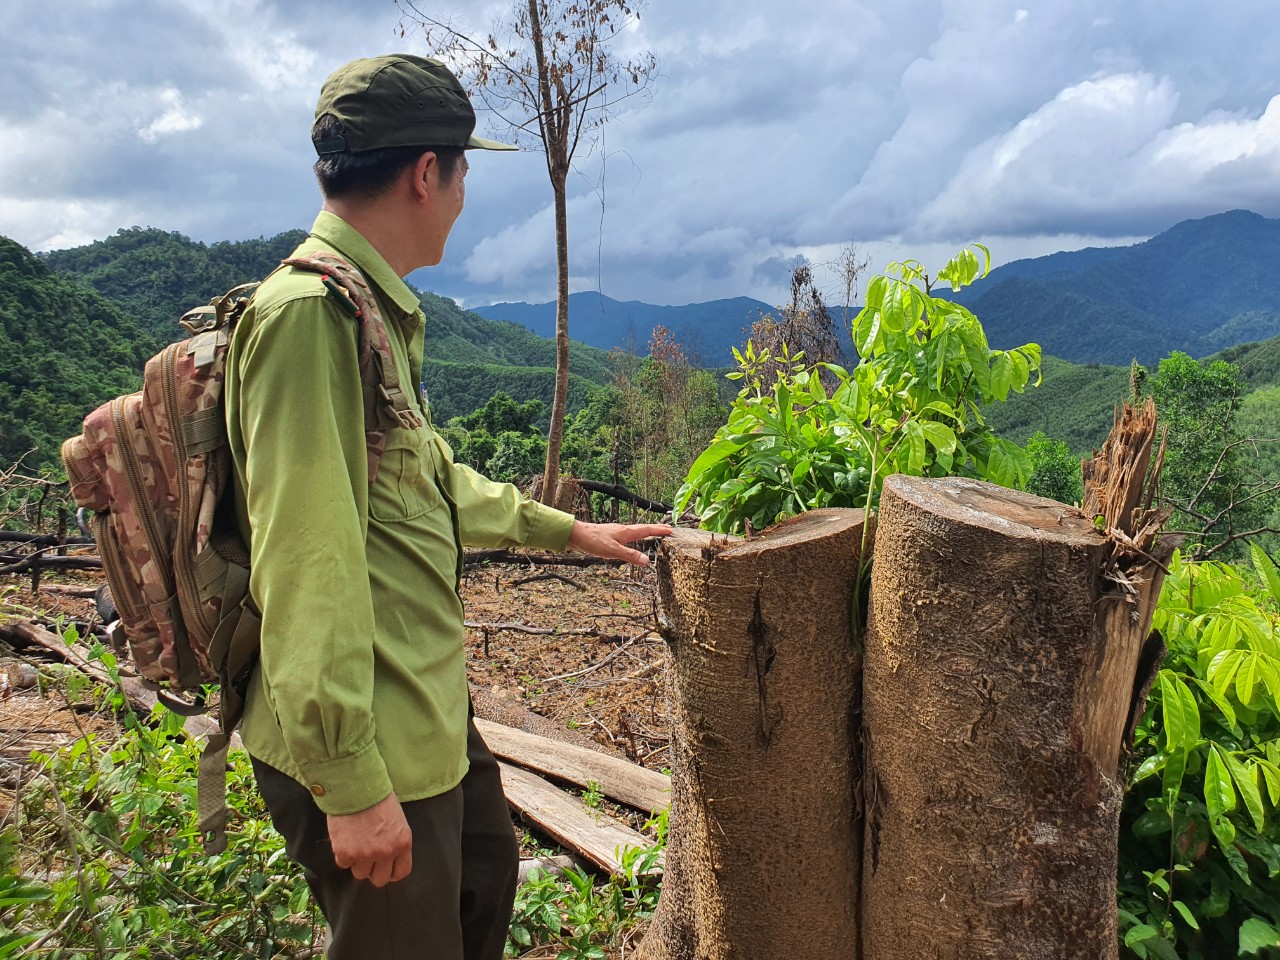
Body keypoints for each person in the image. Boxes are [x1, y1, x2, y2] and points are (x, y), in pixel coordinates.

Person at [224, 54, 671, 960]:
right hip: (371, 730)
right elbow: (306, 560)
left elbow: (427, 484)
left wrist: (568, 530)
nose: (465, 194)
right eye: (463, 169)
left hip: (423, 710)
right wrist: (349, 783)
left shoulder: (369, 311)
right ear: (428, 173)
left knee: (482, 882)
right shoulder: (308, 319)